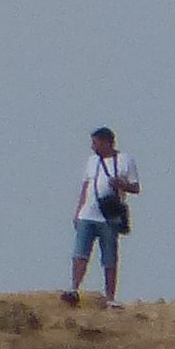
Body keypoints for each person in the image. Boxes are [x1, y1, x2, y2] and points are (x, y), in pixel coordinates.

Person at [65, 126, 142, 306]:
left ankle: (110, 297)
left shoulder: (125, 160)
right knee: (80, 253)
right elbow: (86, 186)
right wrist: (78, 210)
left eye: (96, 143)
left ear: (107, 142)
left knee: (109, 257)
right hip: (88, 214)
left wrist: (121, 184)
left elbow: (136, 187)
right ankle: (74, 289)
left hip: (109, 216)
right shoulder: (92, 162)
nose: (93, 147)